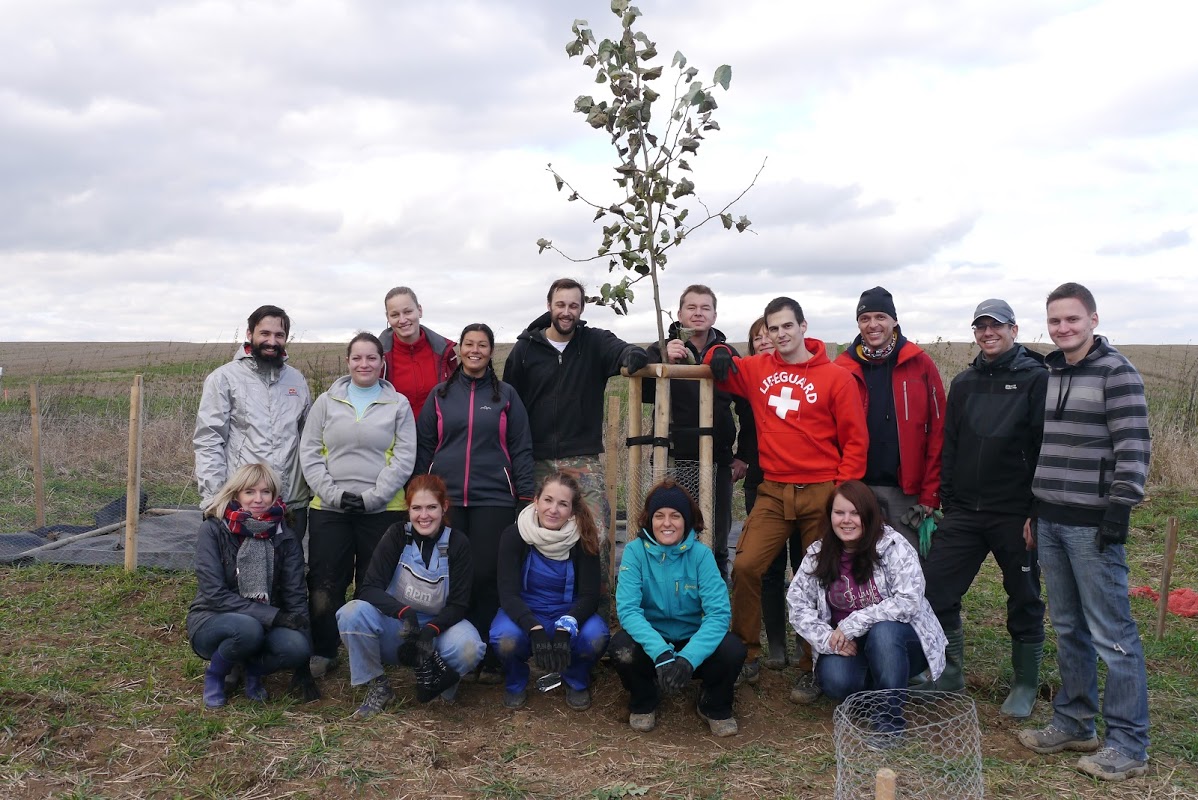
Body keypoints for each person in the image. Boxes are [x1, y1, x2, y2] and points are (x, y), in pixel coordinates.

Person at [1018, 283, 1152, 782]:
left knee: (1112, 635)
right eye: (1054, 321)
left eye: (1072, 319)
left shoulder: (1118, 373)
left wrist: (1119, 509)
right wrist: (1035, 507)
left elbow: (1134, 446)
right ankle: (1075, 722)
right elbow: (1047, 446)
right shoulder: (1051, 373)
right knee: (1069, 628)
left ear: (1093, 319)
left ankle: (1128, 744)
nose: (1062, 328)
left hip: (1093, 526)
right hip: (1051, 518)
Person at [704, 296, 867, 702]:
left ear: (803, 326)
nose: (780, 335)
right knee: (745, 565)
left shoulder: (836, 377)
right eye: (772, 329)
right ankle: (745, 653)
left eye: (786, 326)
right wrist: (721, 350)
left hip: (821, 490)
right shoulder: (758, 370)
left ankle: (812, 664)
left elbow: (855, 441)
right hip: (773, 490)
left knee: (819, 577)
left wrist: (842, 494)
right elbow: (717, 363)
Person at [918, 299, 1047, 718]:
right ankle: (949, 671)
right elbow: (950, 442)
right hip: (966, 512)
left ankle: (1025, 683)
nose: (988, 333)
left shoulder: (1036, 378)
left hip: (1016, 511)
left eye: (996, 326)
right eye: (981, 327)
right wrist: (947, 499)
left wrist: (1036, 508)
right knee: (935, 588)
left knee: (1024, 595)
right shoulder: (966, 382)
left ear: (1013, 329)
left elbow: (1044, 447)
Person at [503, 277, 649, 615]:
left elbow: (621, 351)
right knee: (529, 533)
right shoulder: (525, 351)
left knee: (596, 533)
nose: (566, 311)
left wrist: (633, 355)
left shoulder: (593, 342)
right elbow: (509, 404)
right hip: (536, 459)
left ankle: (598, 609)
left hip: (581, 457)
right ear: (549, 306)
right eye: (560, 304)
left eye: (573, 305)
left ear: (581, 309)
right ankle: (530, 607)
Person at [415, 322, 536, 681]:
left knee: (486, 574)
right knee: (451, 576)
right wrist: (421, 491)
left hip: (493, 499)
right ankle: (457, 650)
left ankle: (488, 653)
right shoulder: (440, 395)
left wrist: (524, 495)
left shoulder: (507, 396)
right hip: (446, 500)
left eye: (482, 345)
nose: (475, 350)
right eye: (469, 344)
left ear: (490, 351)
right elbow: (425, 446)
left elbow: (521, 447)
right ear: (458, 350)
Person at [300, 333, 417, 678]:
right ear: (347, 361)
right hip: (330, 509)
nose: (364, 364)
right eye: (357, 358)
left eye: (371, 358)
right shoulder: (326, 402)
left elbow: (404, 456)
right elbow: (310, 452)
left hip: (382, 510)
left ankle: (369, 648)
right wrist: (334, 494)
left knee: (373, 582)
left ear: (382, 363)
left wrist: (374, 496)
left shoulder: (399, 404)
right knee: (325, 581)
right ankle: (324, 649)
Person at [787, 481, 946, 731]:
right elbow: (797, 604)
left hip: (900, 640)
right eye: (839, 513)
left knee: (884, 633)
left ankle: (890, 720)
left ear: (869, 515)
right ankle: (879, 692)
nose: (846, 520)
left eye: (855, 513)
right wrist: (828, 638)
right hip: (850, 643)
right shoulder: (819, 554)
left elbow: (909, 600)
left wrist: (852, 623)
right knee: (836, 681)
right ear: (830, 516)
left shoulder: (894, 546)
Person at [336, 475, 484, 714]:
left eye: (431, 507)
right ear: (408, 509)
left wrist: (431, 630)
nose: (423, 516)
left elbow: (458, 604)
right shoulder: (397, 535)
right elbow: (369, 588)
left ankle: (441, 683)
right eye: (416, 508)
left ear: (444, 507)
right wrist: (404, 612)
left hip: (438, 629)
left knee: (470, 647)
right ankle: (379, 685)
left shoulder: (458, 543)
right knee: (351, 613)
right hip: (400, 625)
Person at [610, 480, 746, 737]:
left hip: (691, 639)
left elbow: (718, 615)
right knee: (622, 649)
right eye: (659, 516)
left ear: (687, 521)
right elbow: (628, 610)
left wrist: (688, 658)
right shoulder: (634, 552)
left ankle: (712, 704)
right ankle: (645, 699)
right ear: (649, 520)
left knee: (732, 650)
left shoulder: (701, 555)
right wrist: (661, 653)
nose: (667, 523)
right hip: (652, 641)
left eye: (675, 516)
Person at [644, 284, 749, 581]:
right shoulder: (663, 348)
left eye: (705, 308)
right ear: (679, 314)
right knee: (669, 523)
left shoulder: (727, 353)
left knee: (715, 528)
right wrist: (662, 363)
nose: (698, 313)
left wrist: (742, 455)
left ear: (714, 315)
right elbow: (645, 393)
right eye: (691, 307)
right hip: (672, 455)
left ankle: (715, 592)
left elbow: (746, 406)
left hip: (717, 457)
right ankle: (668, 587)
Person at [186, 463, 312, 708]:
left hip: (264, 621)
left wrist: (304, 662)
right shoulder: (213, 529)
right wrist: (274, 616)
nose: (258, 499)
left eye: (266, 492)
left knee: (297, 647)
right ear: (236, 495)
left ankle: (252, 670)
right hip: (213, 616)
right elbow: (214, 594)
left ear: (275, 496)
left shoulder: (285, 534)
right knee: (248, 628)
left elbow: (295, 593)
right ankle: (215, 675)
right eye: (250, 492)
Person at [834, 287, 945, 554]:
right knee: (860, 563)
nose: (873, 325)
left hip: (905, 490)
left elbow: (939, 431)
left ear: (894, 320)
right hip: (858, 487)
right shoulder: (841, 368)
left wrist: (931, 492)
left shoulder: (920, 363)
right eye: (865, 318)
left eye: (881, 317)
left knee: (907, 564)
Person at [490, 472, 610, 711]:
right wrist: (534, 630)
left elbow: (589, 596)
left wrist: (566, 628)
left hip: (567, 612)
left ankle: (575, 678)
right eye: (548, 500)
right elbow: (508, 594)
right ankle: (515, 682)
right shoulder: (515, 535)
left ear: (572, 511)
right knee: (504, 639)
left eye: (562, 504)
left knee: (596, 636)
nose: (553, 509)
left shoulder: (584, 538)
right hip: (525, 610)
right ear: (536, 501)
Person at [194, 305, 311, 538]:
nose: (272, 341)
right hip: (244, 503)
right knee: (242, 571)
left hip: (291, 502)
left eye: (279, 335)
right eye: (264, 333)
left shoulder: (296, 380)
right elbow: (209, 440)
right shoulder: (224, 379)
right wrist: (214, 498)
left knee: (289, 571)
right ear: (250, 334)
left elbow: (308, 439)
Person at [743, 316, 802, 670]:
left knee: (805, 565)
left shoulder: (795, 379)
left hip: (803, 482)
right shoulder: (751, 376)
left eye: (774, 334)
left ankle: (805, 644)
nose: (767, 341)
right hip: (761, 482)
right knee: (766, 567)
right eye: (758, 338)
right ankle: (775, 645)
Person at [378, 286, 459, 419]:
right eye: (395, 315)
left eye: (408, 312)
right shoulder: (376, 356)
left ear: (419, 310)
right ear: (388, 317)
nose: (402, 320)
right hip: (395, 435)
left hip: (437, 436)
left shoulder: (445, 352)